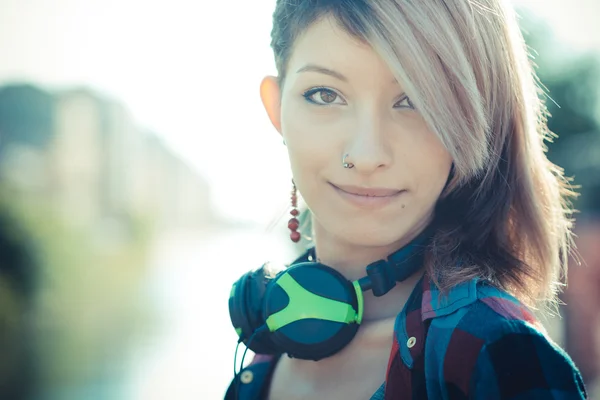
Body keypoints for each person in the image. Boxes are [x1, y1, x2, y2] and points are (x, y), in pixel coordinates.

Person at [225, 0, 588, 398]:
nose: (366, 155)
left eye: (414, 100)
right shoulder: (263, 355)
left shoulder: (500, 356)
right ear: (276, 109)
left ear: (473, 122)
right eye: (325, 94)